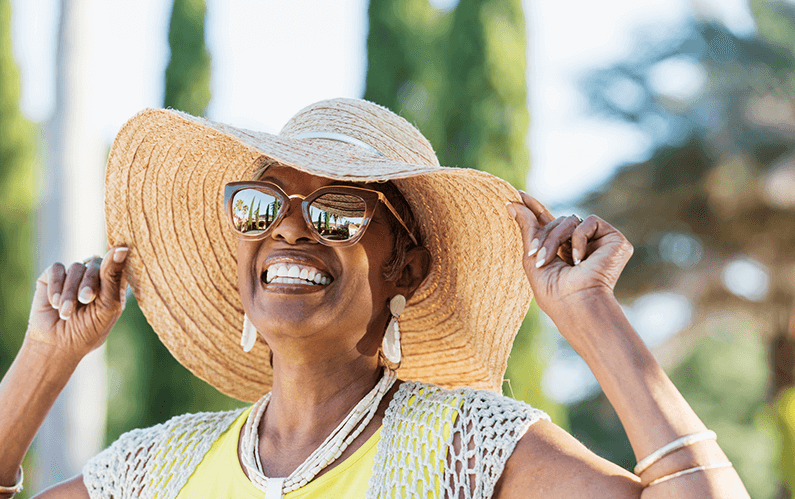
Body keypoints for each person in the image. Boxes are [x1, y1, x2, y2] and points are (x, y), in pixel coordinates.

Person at [0, 98, 750, 498]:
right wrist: (44, 360)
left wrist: (591, 315)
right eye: (260, 206)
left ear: (407, 267)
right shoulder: (157, 469)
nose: (289, 231)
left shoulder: (469, 447)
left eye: (336, 212)